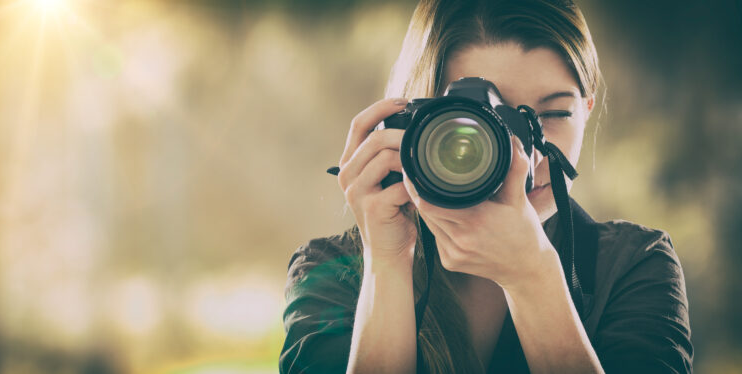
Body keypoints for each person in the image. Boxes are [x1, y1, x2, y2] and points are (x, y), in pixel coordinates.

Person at [279, 0, 693, 373]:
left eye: (552, 115)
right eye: (482, 120)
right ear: (417, 121)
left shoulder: (634, 264)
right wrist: (386, 262)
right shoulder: (331, 272)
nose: (523, 159)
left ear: (586, 109)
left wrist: (534, 277)